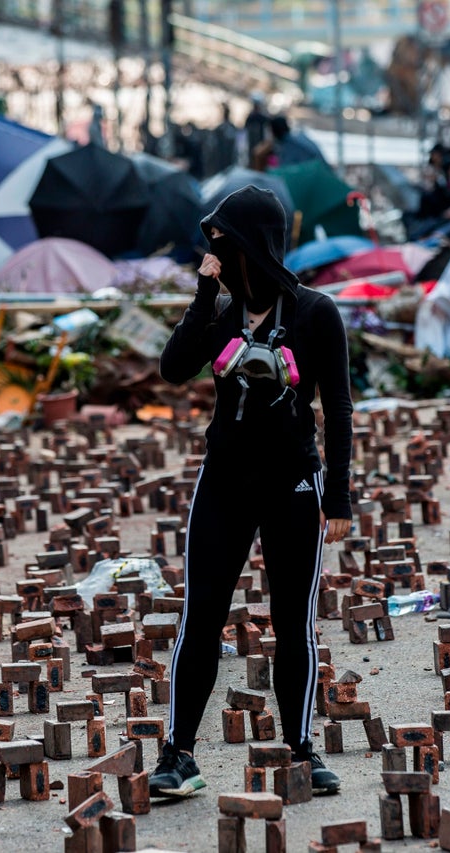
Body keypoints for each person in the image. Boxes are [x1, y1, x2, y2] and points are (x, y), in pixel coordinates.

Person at [154, 186, 353, 800]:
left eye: (224, 240)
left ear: (253, 245)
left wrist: (338, 495)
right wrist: (204, 292)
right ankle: (179, 753)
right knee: (202, 617)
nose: (215, 249)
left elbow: (339, 408)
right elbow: (172, 367)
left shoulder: (317, 313)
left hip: (294, 484)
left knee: (293, 621)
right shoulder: (223, 315)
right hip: (225, 482)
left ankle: (302, 748)